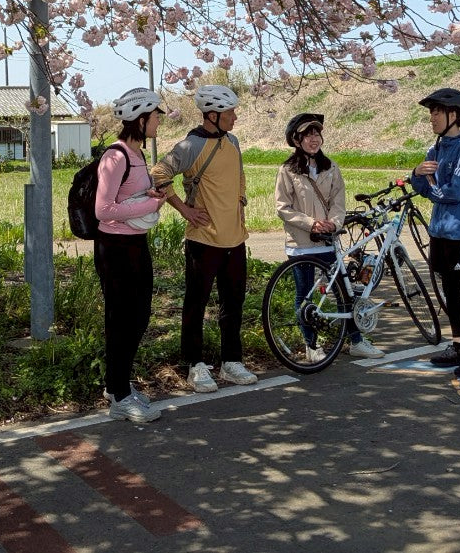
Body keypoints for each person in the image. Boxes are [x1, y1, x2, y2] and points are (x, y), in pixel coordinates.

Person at [150, 84, 258, 393]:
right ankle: (194, 364)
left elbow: (238, 179)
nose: (235, 117)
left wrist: (240, 205)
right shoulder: (191, 146)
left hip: (234, 239)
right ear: (212, 115)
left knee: (233, 302)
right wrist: (184, 209)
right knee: (195, 303)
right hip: (203, 239)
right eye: (230, 113)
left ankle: (231, 361)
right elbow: (159, 173)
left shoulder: (233, 141)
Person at [275, 112, 383, 361]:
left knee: (343, 292)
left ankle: (356, 340)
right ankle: (311, 347)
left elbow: (338, 201)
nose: (314, 139)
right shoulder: (287, 170)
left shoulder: (330, 167)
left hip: (327, 241)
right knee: (304, 296)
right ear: (296, 139)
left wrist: (333, 224)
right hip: (301, 244)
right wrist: (312, 224)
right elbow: (283, 208)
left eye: (317, 133)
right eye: (308, 134)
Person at [94, 87, 170, 423]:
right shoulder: (116, 156)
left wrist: (147, 196)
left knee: (139, 317)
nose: (158, 122)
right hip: (115, 248)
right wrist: (151, 203)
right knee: (121, 320)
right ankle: (120, 397)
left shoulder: (138, 155)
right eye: (155, 117)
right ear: (140, 119)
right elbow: (102, 209)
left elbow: (130, 197)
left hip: (136, 244)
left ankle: (117, 385)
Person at [409, 87, 460, 380]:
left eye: (437, 112)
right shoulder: (435, 149)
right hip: (441, 231)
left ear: (454, 115)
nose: (432, 118)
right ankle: (458, 345)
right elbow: (421, 189)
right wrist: (417, 173)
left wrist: (429, 183)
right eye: (431, 112)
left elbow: (455, 192)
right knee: (450, 290)